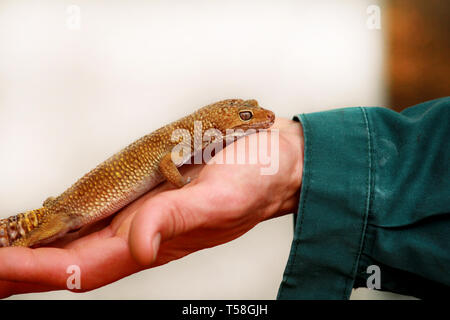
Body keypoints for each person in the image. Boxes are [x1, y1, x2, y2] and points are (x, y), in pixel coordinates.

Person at [0, 97, 448, 299]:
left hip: (73, 206)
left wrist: (294, 159)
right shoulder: (183, 141)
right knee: (41, 240)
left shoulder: (196, 136)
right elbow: (166, 168)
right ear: (219, 124)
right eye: (249, 118)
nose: (261, 120)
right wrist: (183, 187)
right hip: (69, 208)